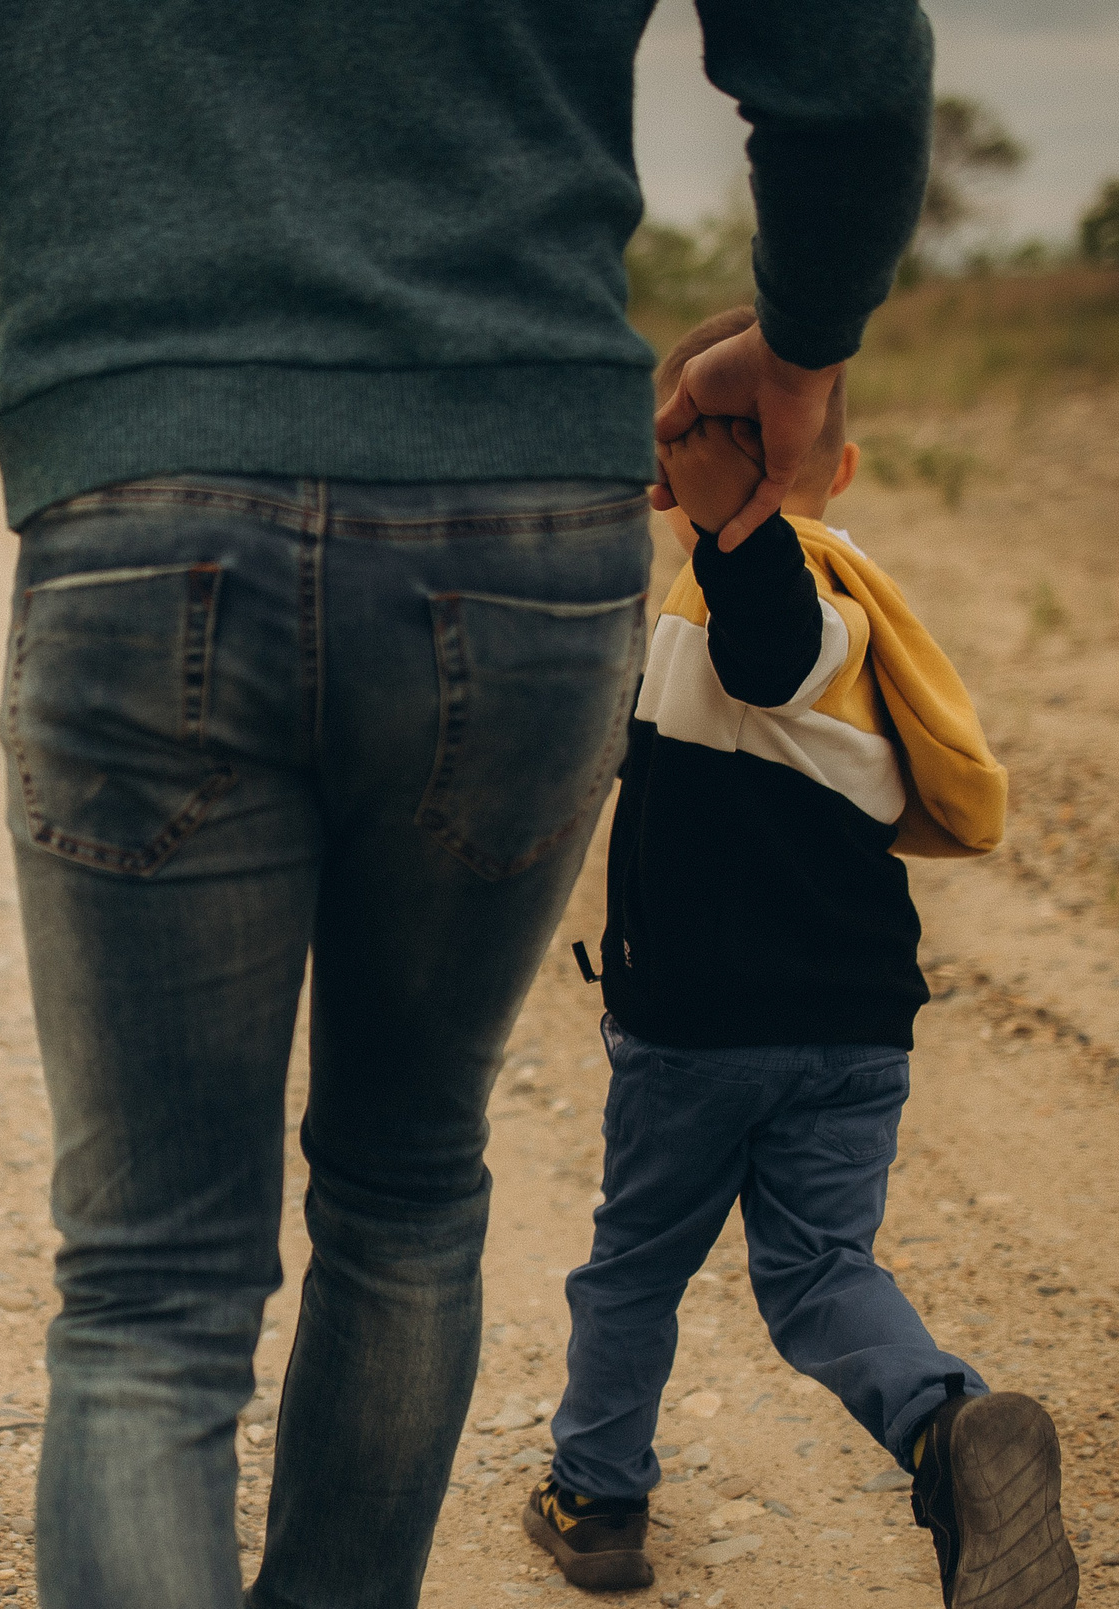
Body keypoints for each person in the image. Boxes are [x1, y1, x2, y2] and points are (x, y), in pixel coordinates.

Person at [0, 3, 936, 1604]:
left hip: (146, 507)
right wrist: (806, 345)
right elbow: (849, 63)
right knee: (407, 1187)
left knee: (150, 1289)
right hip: (525, 529)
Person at [527, 309, 1070, 1608]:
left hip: (702, 1034)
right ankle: (946, 1427)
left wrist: (737, 528)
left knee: (633, 1264)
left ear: (683, 481)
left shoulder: (789, 591)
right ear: (852, 462)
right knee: (823, 1270)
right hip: (854, 1028)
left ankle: (595, 1498)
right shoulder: (858, 613)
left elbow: (770, 648)